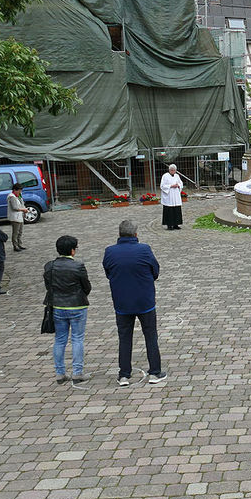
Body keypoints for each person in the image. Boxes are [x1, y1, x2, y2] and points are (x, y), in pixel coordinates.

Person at [102, 219, 165, 386]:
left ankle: (124, 374)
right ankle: (155, 372)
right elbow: (155, 271)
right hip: (144, 301)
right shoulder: (144, 249)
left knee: (124, 338)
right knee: (150, 335)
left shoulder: (110, 251)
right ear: (136, 234)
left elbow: (108, 272)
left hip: (122, 302)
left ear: (119, 234)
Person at [44, 235, 91, 384]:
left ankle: (60, 373)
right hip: (77, 305)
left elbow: (48, 286)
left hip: (58, 306)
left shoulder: (49, 266)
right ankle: (77, 372)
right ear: (72, 250)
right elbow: (87, 286)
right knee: (77, 338)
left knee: (60, 339)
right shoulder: (78, 266)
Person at [160, 164, 183, 230]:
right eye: (171, 170)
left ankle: (176, 224)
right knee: (169, 210)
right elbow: (162, 186)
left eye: (174, 170)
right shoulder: (165, 176)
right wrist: (170, 186)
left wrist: (178, 185)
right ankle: (169, 225)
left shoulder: (177, 176)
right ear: (169, 170)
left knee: (176, 210)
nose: (173, 171)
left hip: (176, 195)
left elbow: (180, 183)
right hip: (169, 196)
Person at [7, 183, 27, 251]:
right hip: (15, 217)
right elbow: (14, 207)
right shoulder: (12, 197)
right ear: (15, 190)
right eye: (19, 190)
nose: (20, 192)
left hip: (20, 216)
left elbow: (22, 204)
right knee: (15, 232)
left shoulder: (19, 196)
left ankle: (19, 244)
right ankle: (15, 246)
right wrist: (23, 209)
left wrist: (24, 209)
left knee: (20, 231)